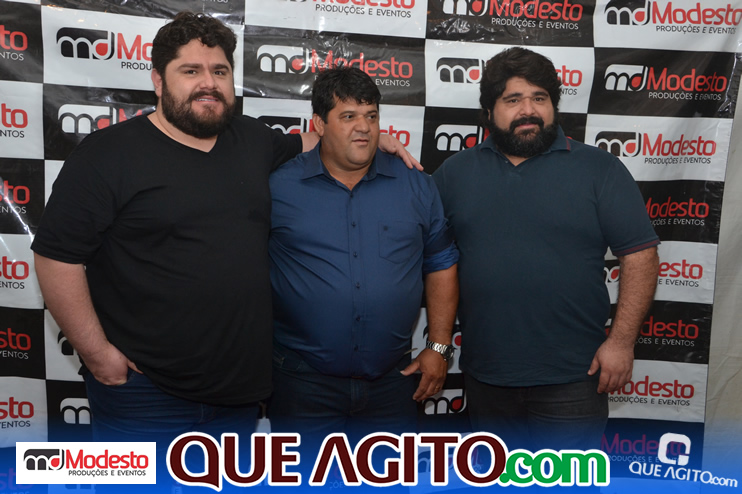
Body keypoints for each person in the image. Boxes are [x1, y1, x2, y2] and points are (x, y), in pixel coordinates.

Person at [30, 12, 415, 456]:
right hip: (144, 393)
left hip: (237, 396)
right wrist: (98, 355)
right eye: (190, 71)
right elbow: (56, 258)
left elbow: (318, 141)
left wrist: (369, 138)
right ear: (158, 81)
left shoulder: (251, 139)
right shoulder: (107, 154)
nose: (208, 83)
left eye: (220, 71)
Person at [433, 47, 660, 453]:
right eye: (513, 99)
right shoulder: (454, 174)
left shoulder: (600, 169)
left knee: (566, 481)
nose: (529, 110)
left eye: (539, 98)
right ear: (489, 112)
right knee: (497, 480)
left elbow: (640, 256)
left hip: (575, 378)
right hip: (487, 378)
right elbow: (431, 258)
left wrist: (621, 343)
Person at [267, 67, 460, 463]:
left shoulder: (416, 184)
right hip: (302, 384)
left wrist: (439, 346)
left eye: (371, 116)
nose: (364, 128)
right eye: (349, 116)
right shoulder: (278, 186)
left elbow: (441, 263)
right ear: (319, 124)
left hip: (392, 383)